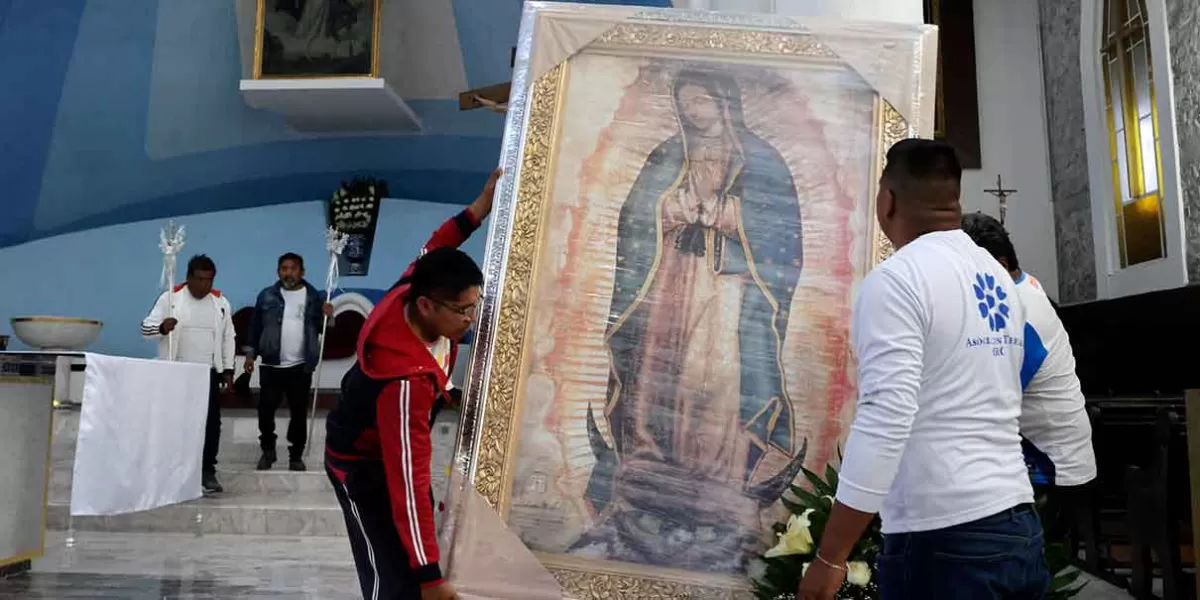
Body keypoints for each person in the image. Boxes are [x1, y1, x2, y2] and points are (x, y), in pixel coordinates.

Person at [798, 139, 1048, 599]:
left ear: (887, 200)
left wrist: (830, 556)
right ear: (954, 199)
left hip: (944, 537)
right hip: (1017, 523)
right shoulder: (997, 277)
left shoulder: (898, 280)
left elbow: (886, 416)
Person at [325, 168, 500, 600]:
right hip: (359, 464)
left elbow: (439, 244)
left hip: (389, 441)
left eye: (474, 306)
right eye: (462, 311)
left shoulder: (415, 282)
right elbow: (406, 480)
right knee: (393, 580)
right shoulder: (403, 380)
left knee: (412, 555)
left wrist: (480, 207)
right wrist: (430, 578)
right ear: (426, 305)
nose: (470, 319)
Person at [961, 213, 1097, 549]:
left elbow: (998, 393)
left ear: (1001, 262)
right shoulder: (1021, 285)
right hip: (1043, 454)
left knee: (1034, 566)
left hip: (1052, 467)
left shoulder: (1023, 310)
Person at [141, 254, 237, 494]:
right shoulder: (170, 299)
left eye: (209, 280)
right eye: (199, 279)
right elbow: (145, 328)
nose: (204, 285)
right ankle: (171, 471)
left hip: (207, 373)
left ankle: (207, 471)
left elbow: (228, 338)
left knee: (211, 424)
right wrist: (162, 328)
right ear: (188, 277)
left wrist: (227, 370)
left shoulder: (221, 303)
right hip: (176, 372)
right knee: (175, 423)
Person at [243, 252, 334, 472]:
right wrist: (250, 355)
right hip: (271, 364)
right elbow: (255, 327)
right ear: (278, 272)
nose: (288, 273)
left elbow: (325, 330)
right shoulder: (266, 296)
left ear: (302, 272)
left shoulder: (314, 297)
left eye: (293, 268)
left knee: (298, 412)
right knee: (265, 411)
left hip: (300, 366)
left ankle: (296, 455)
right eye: (284, 268)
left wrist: (328, 317)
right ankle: (268, 450)